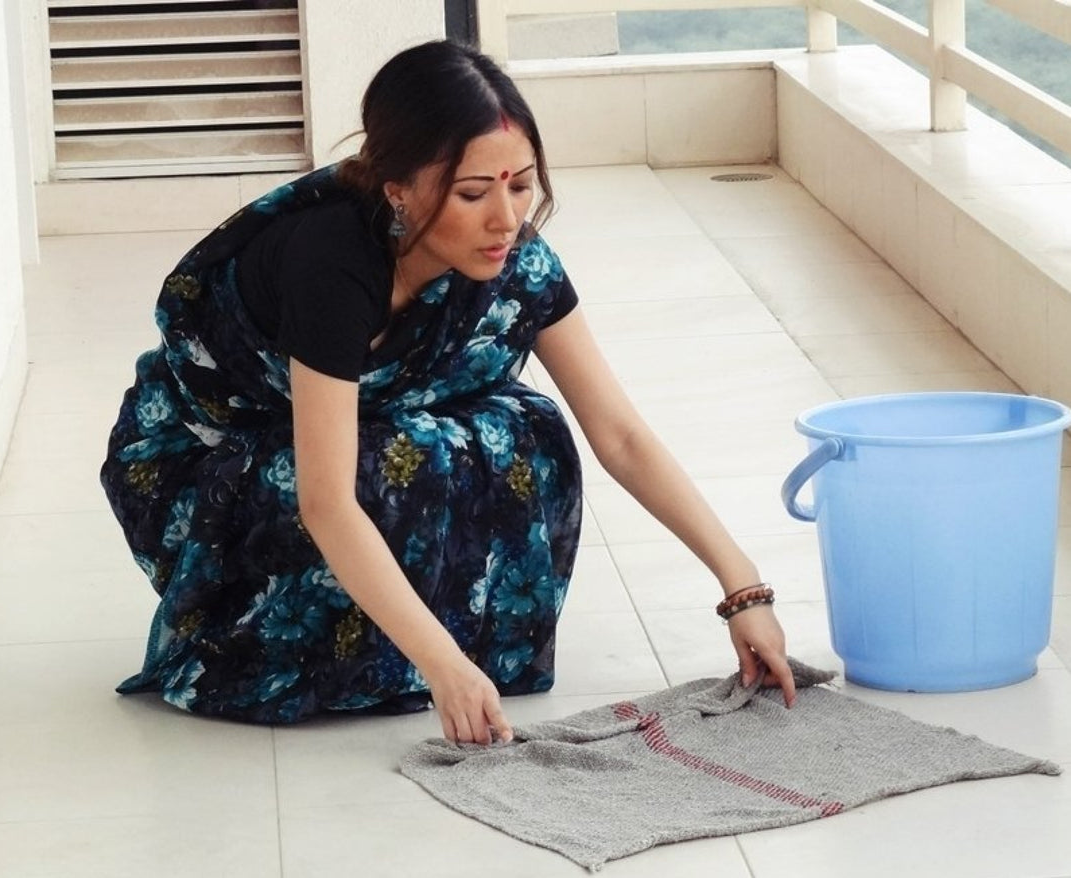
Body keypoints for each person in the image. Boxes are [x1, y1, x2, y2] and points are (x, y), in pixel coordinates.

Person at [101, 39, 796, 744]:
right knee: (391, 466)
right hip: (219, 463)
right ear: (398, 188)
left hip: (367, 429)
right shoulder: (332, 262)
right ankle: (323, 655)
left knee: (525, 434)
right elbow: (325, 499)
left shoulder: (514, 256)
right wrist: (443, 668)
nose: (505, 218)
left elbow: (618, 433)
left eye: (521, 185)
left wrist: (743, 590)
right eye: (472, 193)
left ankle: (462, 652)